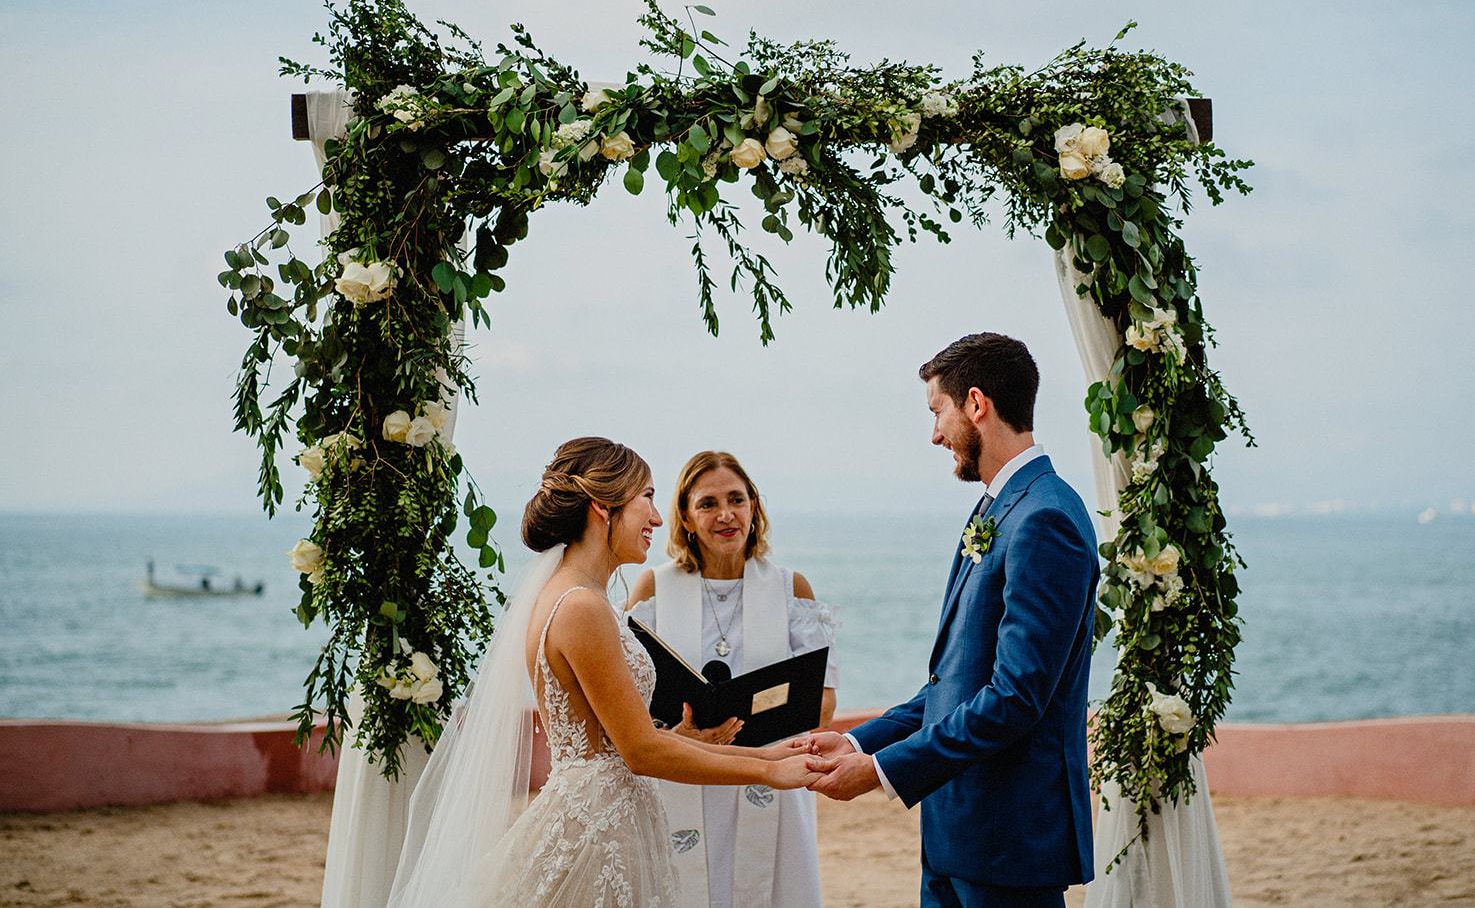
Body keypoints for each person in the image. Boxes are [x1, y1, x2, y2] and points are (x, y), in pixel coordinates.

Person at [386, 437, 831, 908]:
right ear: (603, 506)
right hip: (598, 831)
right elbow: (640, 751)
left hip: (614, 813)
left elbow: (624, 740)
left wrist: (762, 753)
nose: (655, 518)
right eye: (647, 498)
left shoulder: (581, 596)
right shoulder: (581, 607)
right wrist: (768, 771)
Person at [806, 333, 1100, 907]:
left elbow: (1015, 697)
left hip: (1008, 840)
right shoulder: (1000, 507)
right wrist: (859, 741)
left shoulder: (1045, 520)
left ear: (976, 403)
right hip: (956, 833)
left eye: (937, 411)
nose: (935, 434)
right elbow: (957, 680)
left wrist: (880, 771)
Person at [626, 451, 839, 908]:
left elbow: (822, 703)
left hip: (772, 776)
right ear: (686, 517)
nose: (725, 514)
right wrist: (680, 735)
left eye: (736, 500)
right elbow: (630, 697)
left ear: (753, 507)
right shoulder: (653, 589)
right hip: (685, 774)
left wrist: (753, 729)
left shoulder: (791, 588)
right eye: (708, 503)